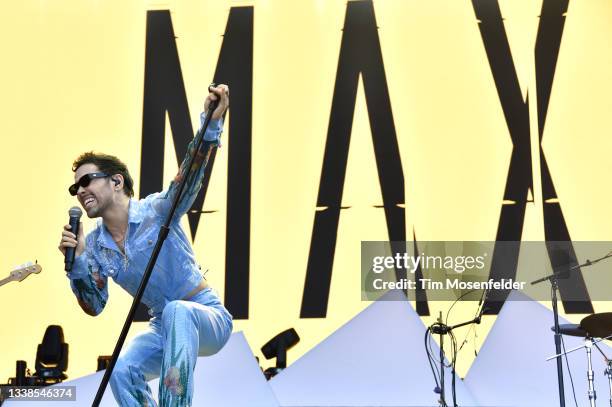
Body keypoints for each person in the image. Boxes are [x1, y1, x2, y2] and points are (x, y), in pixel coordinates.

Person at [58, 85, 232, 406]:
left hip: (205, 315)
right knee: (121, 370)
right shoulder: (95, 245)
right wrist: (78, 262)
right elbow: (94, 306)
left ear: (116, 181)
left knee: (178, 311)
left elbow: (189, 176)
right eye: (75, 187)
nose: (80, 191)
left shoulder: (156, 210)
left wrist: (211, 124)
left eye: (86, 181)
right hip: (162, 329)